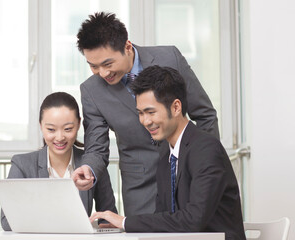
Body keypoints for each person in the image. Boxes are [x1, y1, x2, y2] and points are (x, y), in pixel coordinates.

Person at [72, 12, 220, 216]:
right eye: (93, 66)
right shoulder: (91, 91)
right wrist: (88, 168)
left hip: (189, 174)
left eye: (107, 64)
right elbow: (96, 147)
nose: (103, 73)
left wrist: (205, 164)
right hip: (141, 188)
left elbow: (205, 115)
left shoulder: (170, 58)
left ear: (127, 46)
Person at [90, 66, 246, 240]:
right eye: (140, 113)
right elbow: (163, 219)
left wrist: (126, 222)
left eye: (151, 112)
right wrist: (126, 227)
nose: (145, 121)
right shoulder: (167, 157)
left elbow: (193, 221)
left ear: (176, 107)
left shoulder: (206, 149)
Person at [1, 92, 117, 231]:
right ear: (41, 126)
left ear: (79, 124)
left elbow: (109, 218)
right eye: (51, 129)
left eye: (68, 129)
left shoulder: (92, 165)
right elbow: (7, 222)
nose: (60, 137)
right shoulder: (22, 165)